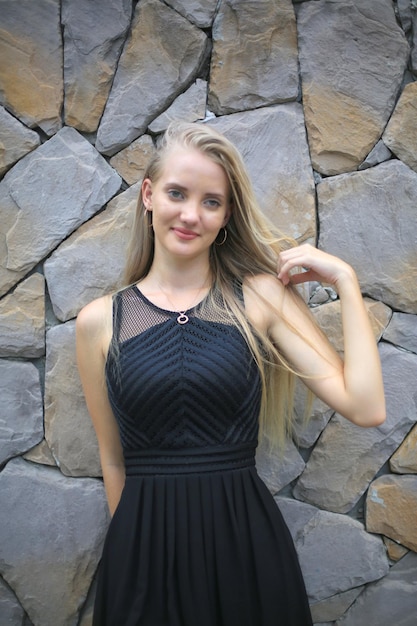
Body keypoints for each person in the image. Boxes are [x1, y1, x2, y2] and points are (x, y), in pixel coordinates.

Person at [76, 122, 385, 626]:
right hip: (143, 550)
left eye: (211, 202)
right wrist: (133, 554)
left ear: (226, 215)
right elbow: (114, 461)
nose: (191, 215)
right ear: (149, 196)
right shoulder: (98, 323)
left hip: (244, 545)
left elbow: (367, 407)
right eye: (177, 193)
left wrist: (346, 282)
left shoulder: (259, 297)